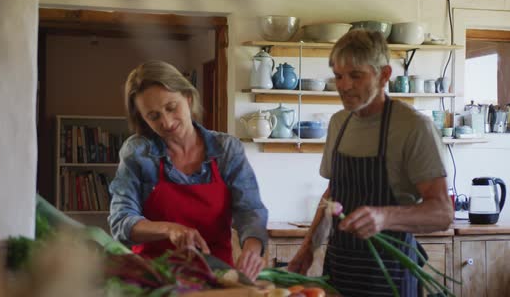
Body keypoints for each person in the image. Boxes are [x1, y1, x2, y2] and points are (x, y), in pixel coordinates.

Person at [288, 30, 454, 296]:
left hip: (390, 277)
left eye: (356, 75)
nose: (344, 85)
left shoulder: (413, 127)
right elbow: (332, 196)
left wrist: (385, 216)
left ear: (384, 75)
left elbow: (443, 213)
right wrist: (307, 250)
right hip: (339, 273)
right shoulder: (339, 123)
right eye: (339, 76)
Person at [108, 60, 268, 280]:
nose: (166, 122)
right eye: (153, 116)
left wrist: (252, 248)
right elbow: (121, 221)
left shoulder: (226, 149)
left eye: (171, 107)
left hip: (217, 277)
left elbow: (249, 210)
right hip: (154, 279)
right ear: (143, 119)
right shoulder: (137, 152)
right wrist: (170, 229)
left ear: (188, 97)